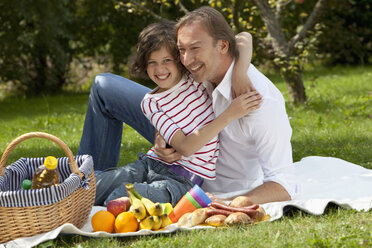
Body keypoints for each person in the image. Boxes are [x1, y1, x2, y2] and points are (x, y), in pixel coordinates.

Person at [90, 21, 261, 206]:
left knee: (120, 197)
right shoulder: (150, 103)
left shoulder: (195, 78)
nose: (160, 69)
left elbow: (244, 37)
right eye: (152, 63)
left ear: (179, 60)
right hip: (151, 164)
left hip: (181, 181)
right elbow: (186, 147)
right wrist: (230, 114)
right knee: (92, 187)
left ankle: (104, 208)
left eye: (167, 61)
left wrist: (239, 72)